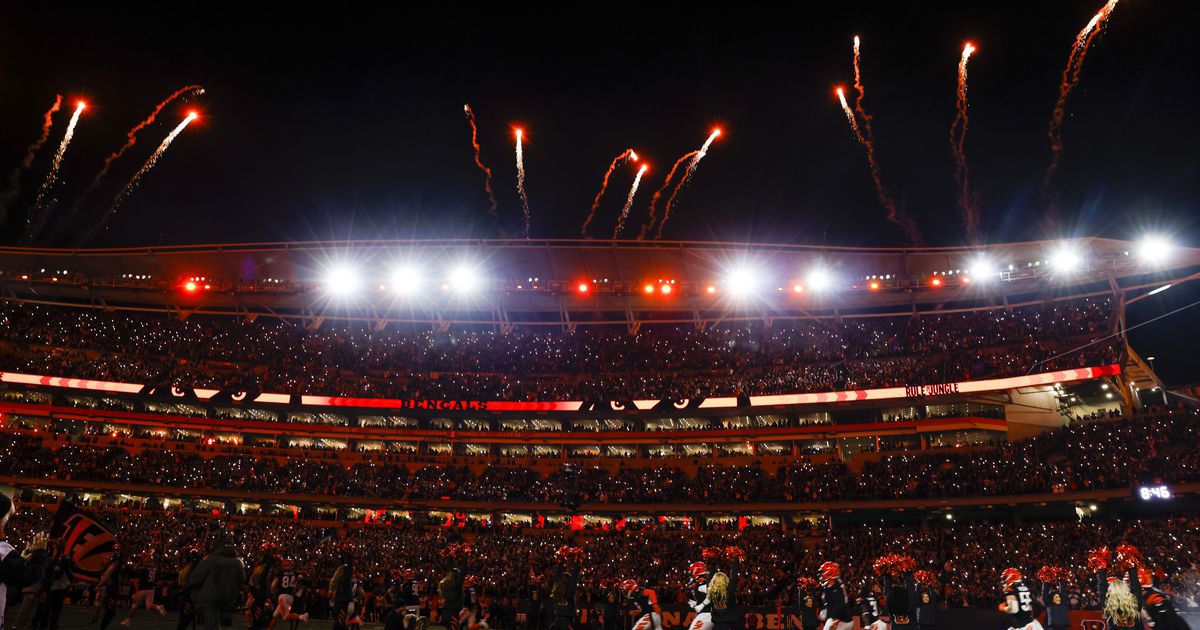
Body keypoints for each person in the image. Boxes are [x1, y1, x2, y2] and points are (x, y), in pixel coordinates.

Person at [0, 494, 49, 630]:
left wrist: (18, 559)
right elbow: (29, 576)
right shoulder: (3, 552)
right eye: (7, 517)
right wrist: (40, 554)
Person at [186, 534, 247, 630]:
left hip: (210, 599)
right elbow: (242, 580)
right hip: (228, 598)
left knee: (212, 626)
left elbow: (194, 579)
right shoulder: (238, 563)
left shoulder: (209, 560)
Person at [122, 554, 166, 625]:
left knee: (134, 606)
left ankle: (128, 620)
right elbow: (157, 581)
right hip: (151, 590)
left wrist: (136, 591)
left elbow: (137, 581)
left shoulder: (143, 570)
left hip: (142, 590)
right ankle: (158, 607)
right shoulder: (154, 571)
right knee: (149, 606)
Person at [816, 562, 851, 630]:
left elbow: (840, 603)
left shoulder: (837, 586)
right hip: (836, 616)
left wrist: (832, 617)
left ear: (830, 572)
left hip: (840, 618)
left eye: (823, 572)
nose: (821, 575)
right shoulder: (831, 584)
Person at [708, 558, 740, 630]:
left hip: (715, 624)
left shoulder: (711, 591)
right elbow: (734, 578)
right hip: (728, 624)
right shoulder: (730, 590)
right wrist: (736, 561)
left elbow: (709, 578)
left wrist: (712, 564)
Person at [686, 561, 713, 630]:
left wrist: (702, 605)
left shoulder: (701, 584)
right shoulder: (702, 583)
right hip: (709, 615)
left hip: (706, 615)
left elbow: (713, 594)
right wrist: (696, 603)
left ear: (697, 571)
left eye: (692, 572)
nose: (691, 574)